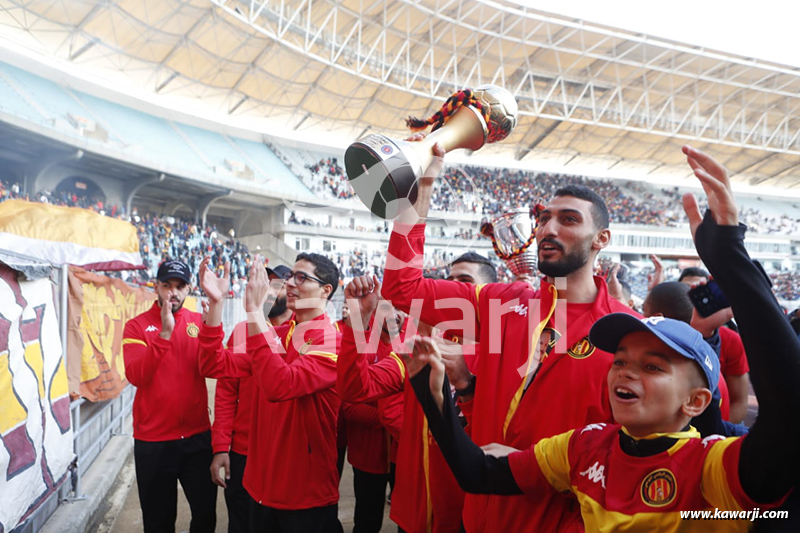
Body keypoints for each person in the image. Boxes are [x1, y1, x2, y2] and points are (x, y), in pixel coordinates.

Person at [408, 145, 797, 530]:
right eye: (621, 360)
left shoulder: (710, 468)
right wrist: (434, 391)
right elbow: (477, 472)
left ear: (695, 401)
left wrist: (731, 260)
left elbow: (789, 417)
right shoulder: (582, 449)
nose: (624, 373)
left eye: (651, 366)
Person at [381, 139, 638, 532]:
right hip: (478, 517)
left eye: (568, 220)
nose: (548, 229)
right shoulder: (501, 303)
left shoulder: (626, 332)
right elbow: (403, 289)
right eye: (543, 218)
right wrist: (424, 189)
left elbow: (629, 452)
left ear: (601, 239)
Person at [340, 250, 496, 533]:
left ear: (485, 298)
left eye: (462, 283)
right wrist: (357, 321)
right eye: (447, 282)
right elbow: (354, 389)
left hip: (473, 511)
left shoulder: (506, 359)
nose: (448, 291)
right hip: (417, 511)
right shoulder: (419, 352)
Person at [198, 253, 343, 533]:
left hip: (304, 494)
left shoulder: (332, 340)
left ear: (326, 290)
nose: (290, 284)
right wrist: (216, 305)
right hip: (260, 487)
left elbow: (281, 385)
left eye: (301, 277)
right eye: (291, 276)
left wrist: (255, 311)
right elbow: (213, 364)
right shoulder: (279, 334)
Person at [122, 259, 217, 533]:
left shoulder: (199, 322)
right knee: (158, 522)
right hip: (154, 441)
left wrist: (214, 325)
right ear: (156, 286)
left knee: (205, 515)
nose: (172, 293)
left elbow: (215, 367)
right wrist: (164, 333)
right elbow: (137, 376)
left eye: (180, 286)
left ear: (189, 289)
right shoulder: (136, 327)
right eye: (167, 285)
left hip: (198, 438)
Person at [209, 262, 292, 533]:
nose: (268, 292)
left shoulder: (306, 335)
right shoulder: (242, 333)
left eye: (276, 285)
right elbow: (225, 392)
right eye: (263, 285)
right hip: (243, 452)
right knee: (242, 522)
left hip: (285, 455)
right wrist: (222, 446)